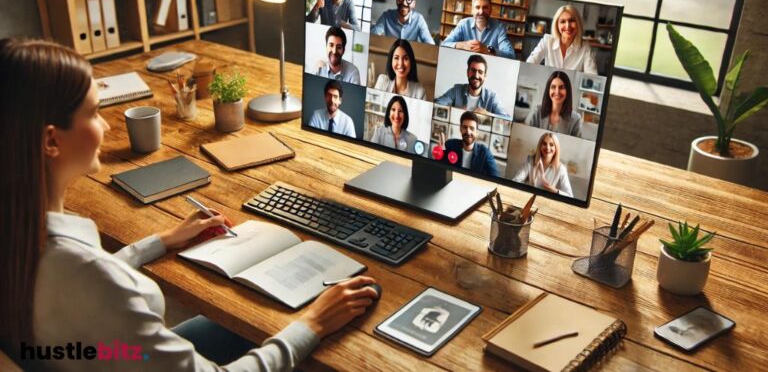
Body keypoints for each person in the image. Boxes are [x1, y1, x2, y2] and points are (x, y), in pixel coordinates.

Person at [0, 38, 378, 370]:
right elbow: (95, 283)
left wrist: (160, 242)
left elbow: (81, 285)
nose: (108, 127)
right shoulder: (90, 277)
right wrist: (312, 323)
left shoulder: (22, 237)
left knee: (228, 327)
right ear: (51, 142)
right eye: (95, 113)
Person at [441, 0, 515, 59]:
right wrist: (462, 45)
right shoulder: (463, 24)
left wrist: (488, 49)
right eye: (477, 7)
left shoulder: (499, 28)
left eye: (485, 7)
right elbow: (444, 44)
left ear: (490, 10)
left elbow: (511, 55)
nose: (481, 12)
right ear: (472, 10)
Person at [526, 5, 597, 74]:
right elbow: (529, 65)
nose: (567, 26)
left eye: (571, 21)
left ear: (578, 23)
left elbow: (592, 77)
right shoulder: (547, 40)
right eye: (562, 21)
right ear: (557, 25)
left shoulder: (585, 47)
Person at [434, 54, 509, 117]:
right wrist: (455, 112)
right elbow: (437, 104)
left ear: (485, 76)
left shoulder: (492, 97)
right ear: (467, 72)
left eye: (480, 72)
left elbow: (507, 118)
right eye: (473, 70)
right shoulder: (456, 90)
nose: (476, 75)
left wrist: (487, 114)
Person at [437, 111, 498, 177]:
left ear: (476, 131)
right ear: (460, 129)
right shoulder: (450, 145)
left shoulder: (485, 153)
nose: (468, 132)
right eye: (465, 127)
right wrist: (439, 154)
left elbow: (495, 177)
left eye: (472, 128)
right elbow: (440, 170)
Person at [512, 132, 573, 197]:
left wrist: (554, 190)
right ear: (540, 146)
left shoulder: (561, 169)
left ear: (556, 148)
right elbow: (515, 180)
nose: (547, 147)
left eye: (551, 145)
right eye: (544, 144)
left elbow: (570, 195)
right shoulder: (530, 160)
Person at [526, 71, 582, 137]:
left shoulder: (576, 119)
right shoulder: (536, 112)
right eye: (553, 87)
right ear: (548, 90)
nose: (557, 91)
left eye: (561, 87)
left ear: (568, 91)